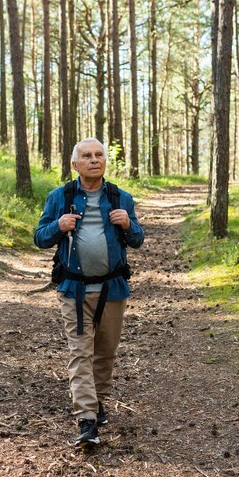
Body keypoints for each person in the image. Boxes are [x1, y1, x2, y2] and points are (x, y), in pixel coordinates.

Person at [34, 138, 144, 447]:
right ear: (75, 164)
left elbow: (137, 240)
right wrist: (58, 225)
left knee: (105, 351)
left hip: (113, 288)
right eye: (86, 156)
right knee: (79, 352)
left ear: (105, 161)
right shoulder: (60, 197)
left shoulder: (121, 197)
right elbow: (40, 238)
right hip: (74, 290)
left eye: (99, 155)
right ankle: (86, 419)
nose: (94, 160)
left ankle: (98, 400)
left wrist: (127, 224)